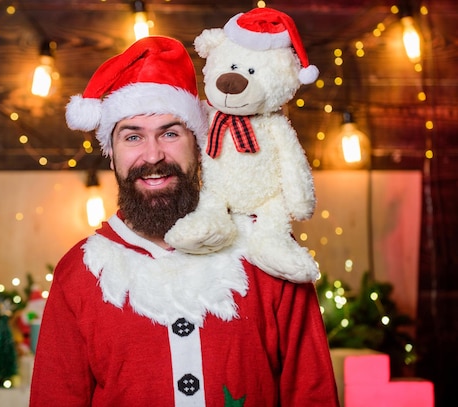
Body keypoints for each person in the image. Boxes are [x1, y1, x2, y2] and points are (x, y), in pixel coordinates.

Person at [29, 35, 339, 407]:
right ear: (112, 156)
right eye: (132, 137)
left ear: (200, 143)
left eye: (171, 133)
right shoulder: (79, 274)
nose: (153, 154)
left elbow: (312, 394)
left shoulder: (267, 256)